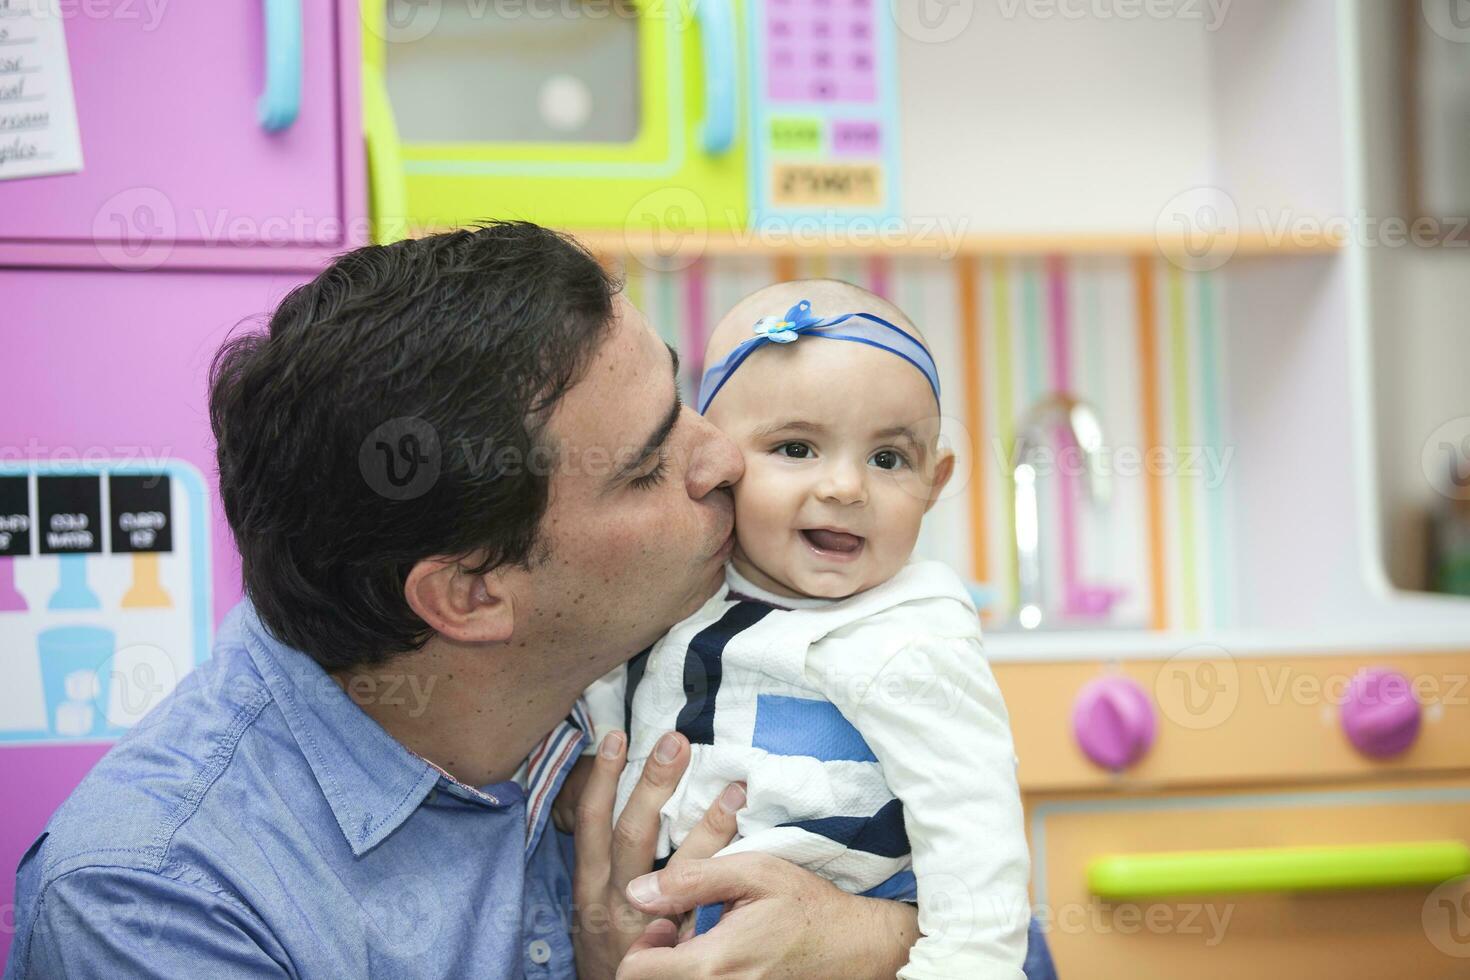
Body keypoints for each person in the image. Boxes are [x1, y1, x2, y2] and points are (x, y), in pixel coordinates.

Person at [3, 224, 922, 979]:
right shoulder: (151, 905)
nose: (725, 457)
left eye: (681, 397)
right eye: (647, 467)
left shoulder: (706, 642)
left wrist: (872, 939)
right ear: (472, 596)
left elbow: (1008, 935)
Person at [584, 280, 1031, 978]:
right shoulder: (684, 586)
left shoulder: (905, 631)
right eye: (796, 448)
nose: (846, 488)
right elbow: (617, 680)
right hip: (682, 925)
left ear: (934, 482)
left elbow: (974, 828)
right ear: (716, 459)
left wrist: (962, 964)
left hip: (849, 925)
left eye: (888, 459)